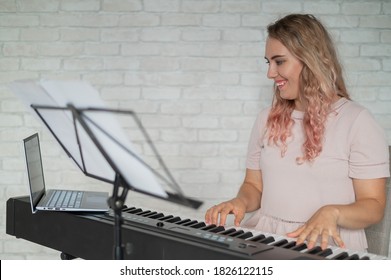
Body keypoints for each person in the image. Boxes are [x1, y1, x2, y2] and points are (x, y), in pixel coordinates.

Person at [204, 14, 390, 252]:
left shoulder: (357, 121)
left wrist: (332, 213)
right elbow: (254, 186)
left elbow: (373, 206)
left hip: (326, 246)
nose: (270, 73)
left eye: (279, 61)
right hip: (266, 242)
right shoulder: (265, 119)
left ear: (312, 60)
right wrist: (241, 201)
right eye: (268, 62)